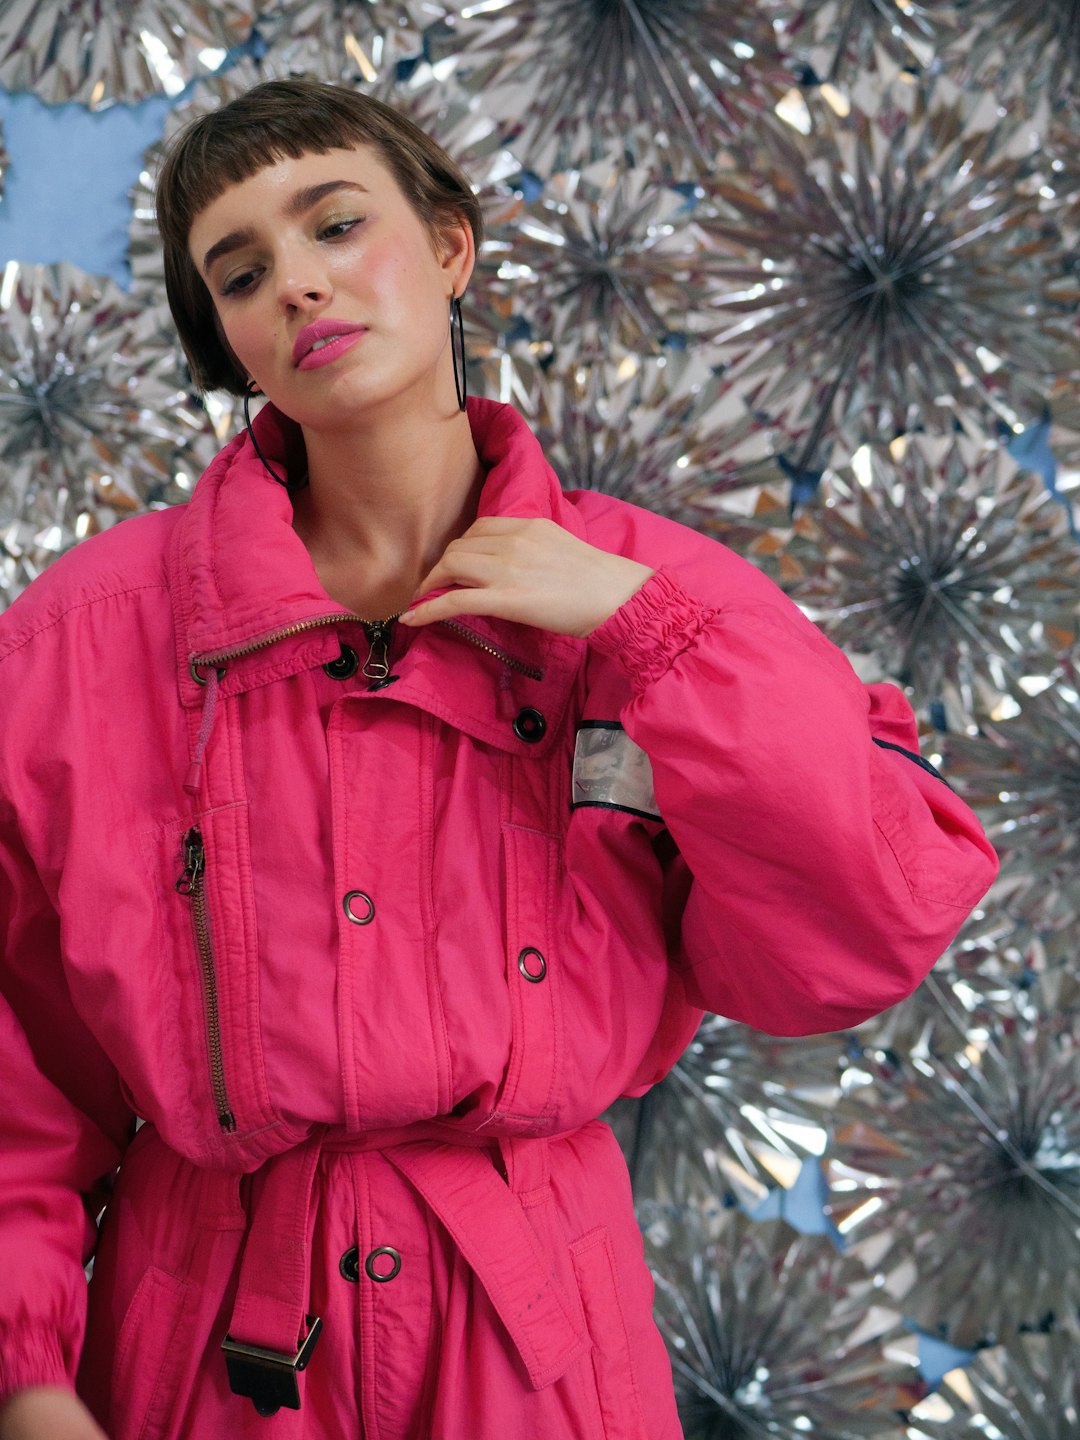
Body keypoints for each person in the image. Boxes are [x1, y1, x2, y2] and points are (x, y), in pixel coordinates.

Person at [0, 77, 997, 1440]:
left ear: (451, 245)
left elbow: (855, 928)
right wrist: (29, 1382)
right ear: (227, 341)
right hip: (204, 1347)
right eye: (240, 273)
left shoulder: (659, 596)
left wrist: (653, 639)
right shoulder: (81, 642)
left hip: (537, 1340)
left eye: (335, 224)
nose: (296, 284)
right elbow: (16, 1072)